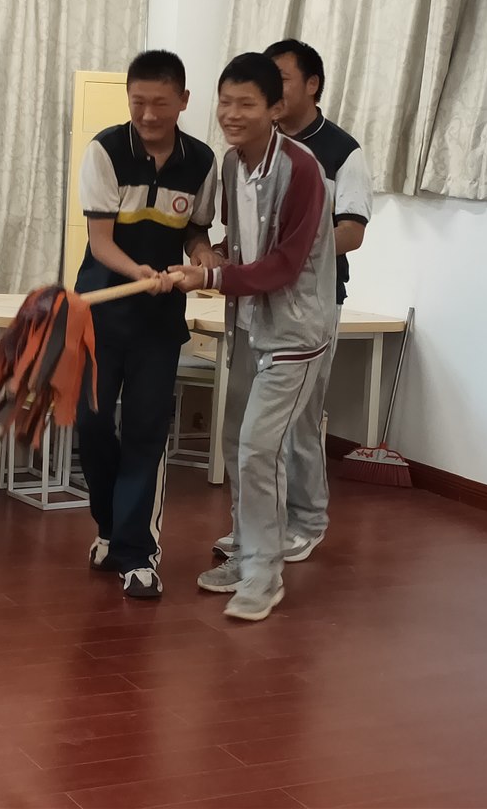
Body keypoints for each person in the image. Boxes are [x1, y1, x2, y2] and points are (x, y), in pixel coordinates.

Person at [171, 52, 336, 622]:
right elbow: (225, 238)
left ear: (275, 108)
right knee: (235, 442)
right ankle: (245, 552)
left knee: (261, 449)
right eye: (225, 102)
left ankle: (265, 576)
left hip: (295, 333)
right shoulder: (229, 163)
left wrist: (211, 279)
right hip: (246, 326)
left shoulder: (303, 170)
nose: (231, 114)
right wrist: (204, 255)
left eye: (246, 104)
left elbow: (286, 264)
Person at [75, 50, 218, 599]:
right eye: (138, 102)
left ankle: (138, 553)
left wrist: (202, 258)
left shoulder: (201, 161)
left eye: (161, 102)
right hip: (101, 310)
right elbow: (101, 242)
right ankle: (110, 526)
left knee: (145, 431)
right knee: (91, 426)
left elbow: (196, 232)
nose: (149, 114)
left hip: (159, 322)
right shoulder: (106, 150)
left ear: (184, 100)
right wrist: (138, 270)